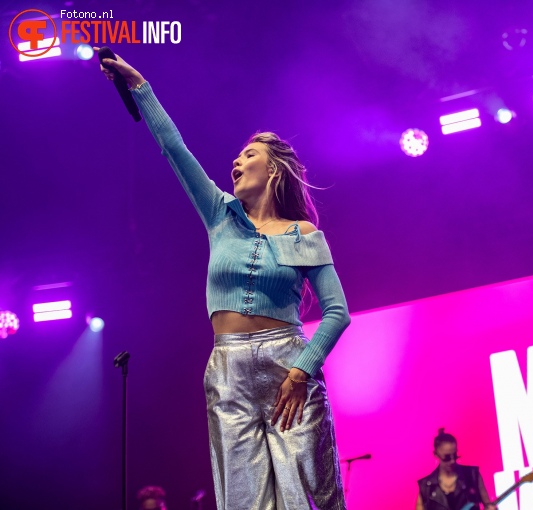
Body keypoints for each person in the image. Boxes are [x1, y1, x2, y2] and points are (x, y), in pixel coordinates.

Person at [97, 50, 351, 510]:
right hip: (228, 371)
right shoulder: (220, 215)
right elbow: (174, 147)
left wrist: (301, 370)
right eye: (236, 156)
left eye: (248, 154)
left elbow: (337, 313)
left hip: (288, 365)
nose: (236, 162)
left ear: (273, 168)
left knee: (306, 498)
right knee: (243, 502)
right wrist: (140, 86)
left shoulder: (304, 234)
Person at [416, 429, 497, 510]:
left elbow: (488, 505)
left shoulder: (471, 475)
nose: (452, 461)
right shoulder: (426, 486)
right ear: (436, 454)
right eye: (447, 457)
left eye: (455, 456)